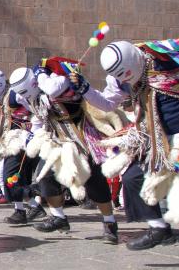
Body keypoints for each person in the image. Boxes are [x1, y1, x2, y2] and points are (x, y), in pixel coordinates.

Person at [92, 40, 179, 250]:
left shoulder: (170, 59)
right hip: (160, 145)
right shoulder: (120, 82)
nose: (127, 80)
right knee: (132, 177)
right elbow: (107, 104)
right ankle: (159, 228)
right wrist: (84, 89)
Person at [10, 60, 118, 244]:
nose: (24, 97)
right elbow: (37, 118)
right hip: (58, 142)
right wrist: (33, 136)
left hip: (82, 139)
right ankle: (59, 217)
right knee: (44, 177)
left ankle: (110, 223)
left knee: (94, 182)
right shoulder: (33, 98)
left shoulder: (59, 81)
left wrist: (42, 72)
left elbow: (52, 89)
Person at [0, 69, 46, 224]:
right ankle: (24, 209)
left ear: (2, 83)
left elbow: (37, 110)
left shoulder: (14, 95)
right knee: (9, 178)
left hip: (20, 140)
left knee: (6, 177)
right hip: (6, 141)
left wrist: (34, 130)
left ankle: (31, 201)